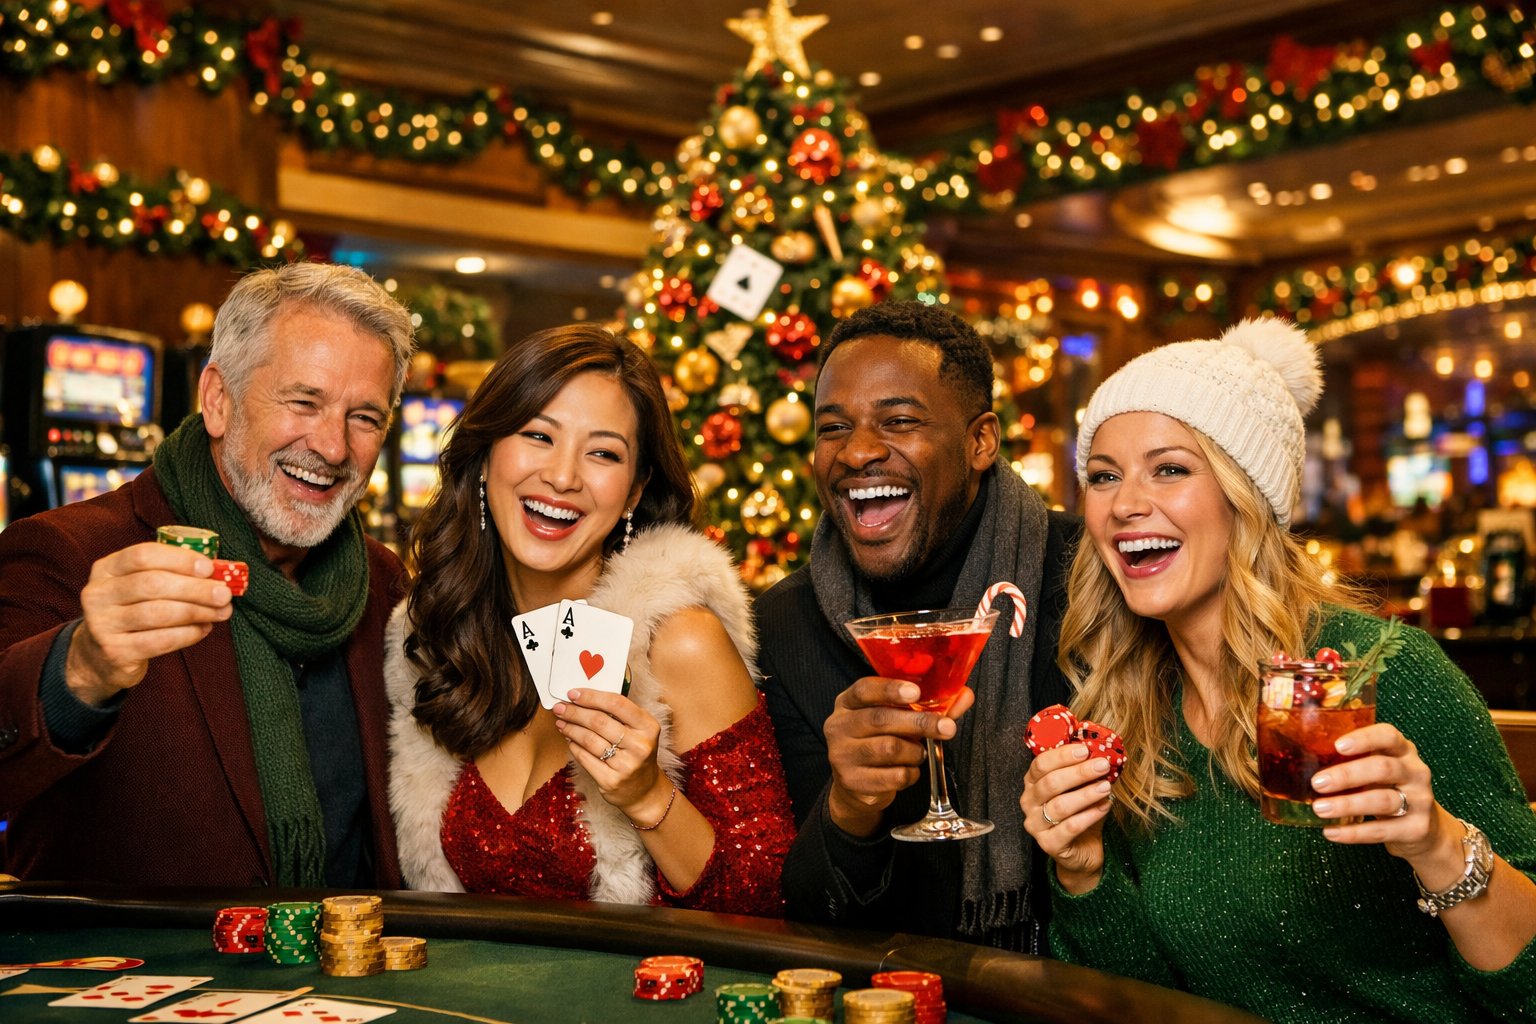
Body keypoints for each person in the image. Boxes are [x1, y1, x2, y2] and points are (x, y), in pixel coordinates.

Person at [1025, 318, 1536, 1022]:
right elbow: (1145, 994)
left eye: (1170, 468)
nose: (1125, 504)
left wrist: (1438, 843)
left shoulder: (1383, 673)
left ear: (1248, 498)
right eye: (1104, 476)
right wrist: (1081, 866)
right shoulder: (1131, 712)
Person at [0, 262, 416, 888]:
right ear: (218, 399)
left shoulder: (383, 585)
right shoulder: (66, 550)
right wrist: (79, 666)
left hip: (348, 979)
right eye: (304, 401)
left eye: (365, 418)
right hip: (132, 978)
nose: (333, 448)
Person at [386, 324, 794, 913]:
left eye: (603, 453)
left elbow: (767, 898)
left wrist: (650, 796)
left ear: (633, 491)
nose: (563, 477)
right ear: (484, 454)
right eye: (538, 436)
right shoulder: (430, 640)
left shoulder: (680, 641)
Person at [757, 300, 1080, 951]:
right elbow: (808, 913)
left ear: (981, 440)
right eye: (832, 428)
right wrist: (849, 806)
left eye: (898, 421)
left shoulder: (1082, 577)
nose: (858, 452)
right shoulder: (784, 624)